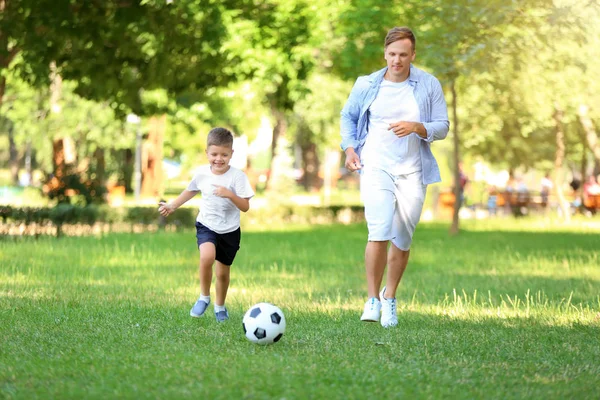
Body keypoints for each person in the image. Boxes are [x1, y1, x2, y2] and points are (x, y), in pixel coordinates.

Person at [340, 27, 449, 328]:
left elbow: (442, 126)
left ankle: (390, 298)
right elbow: (348, 117)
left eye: (403, 55)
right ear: (385, 54)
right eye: (392, 54)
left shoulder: (428, 85)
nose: (397, 60)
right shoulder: (367, 84)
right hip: (375, 164)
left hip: (413, 170)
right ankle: (372, 299)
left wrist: (418, 127)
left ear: (413, 55)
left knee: (402, 237)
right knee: (379, 228)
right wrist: (350, 149)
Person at [158, 127, 255, 322]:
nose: (219, 159)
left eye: (224, 155)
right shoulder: (202, 173)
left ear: (232, 154)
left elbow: (245, 206)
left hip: (230, 231)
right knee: (207, 256)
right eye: (214, 154)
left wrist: (230, 194)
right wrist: (172, 205)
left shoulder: (237, 176)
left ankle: (220, 307)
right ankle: (204, 297)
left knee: (222, 273)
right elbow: (190, 190)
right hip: (207, 225)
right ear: (207, 153)